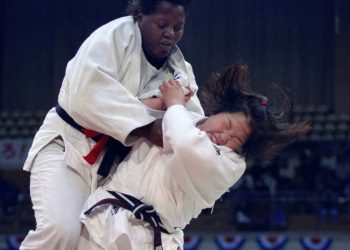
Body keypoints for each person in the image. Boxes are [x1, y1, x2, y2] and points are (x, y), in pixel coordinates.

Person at [20, 1, 203, 249]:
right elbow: (84, 95)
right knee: (61, 230)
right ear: (140, 16)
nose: (170, 33)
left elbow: (188, 123)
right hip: (69, 147)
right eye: (162, 25)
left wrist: (158, 108)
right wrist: (152, 117)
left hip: (116, 168)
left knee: (99, 241)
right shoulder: (113, 39)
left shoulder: (181, 71)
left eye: (178, 27)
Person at [77, 63, 311, 250]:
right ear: (218, 112)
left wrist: (174, 104)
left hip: (148, 237)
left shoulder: (231, 164)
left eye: (236, 139)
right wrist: (164, 102)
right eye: (227, 124)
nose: (224, 136)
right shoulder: (183, 115)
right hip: (102, 218)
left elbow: (185, 144)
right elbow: (120, 115)